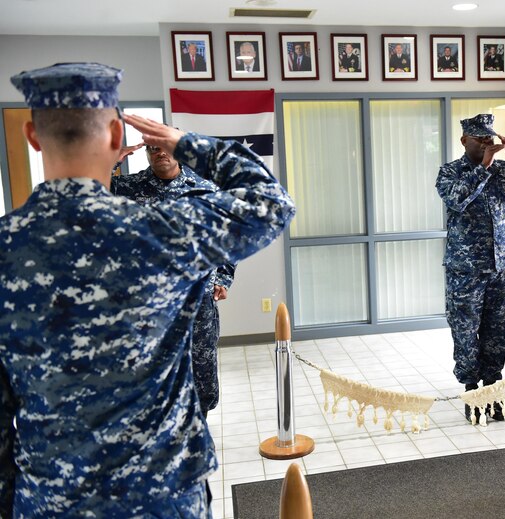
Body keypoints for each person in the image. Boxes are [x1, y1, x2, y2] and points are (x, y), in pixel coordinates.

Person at [0, 62, 295, 516]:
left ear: (33, 136)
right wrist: (188, 143)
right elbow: (271, 203)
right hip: (163, 495)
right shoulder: (163, 231)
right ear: (117, 135)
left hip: (52, 501)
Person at [436, 114, 505, 424]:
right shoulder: (450, 172)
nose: (488, 144)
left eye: (490, 138)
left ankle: (493, 389)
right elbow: (458, 200)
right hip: (466, 272)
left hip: (500, 269)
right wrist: (483, 168)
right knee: (466, 334)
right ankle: (473, 393)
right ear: (464, 141)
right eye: (480, 139)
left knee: (497, 333)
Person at [111, 141, 237, 417]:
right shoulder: (127, 187)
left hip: (197, 298)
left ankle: (199, 422)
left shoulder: (205, 188)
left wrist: (223, 276)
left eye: (165, 147)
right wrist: (111, 161)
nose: (160, 153)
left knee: (201, 369)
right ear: (147, 153)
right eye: (153, 149)